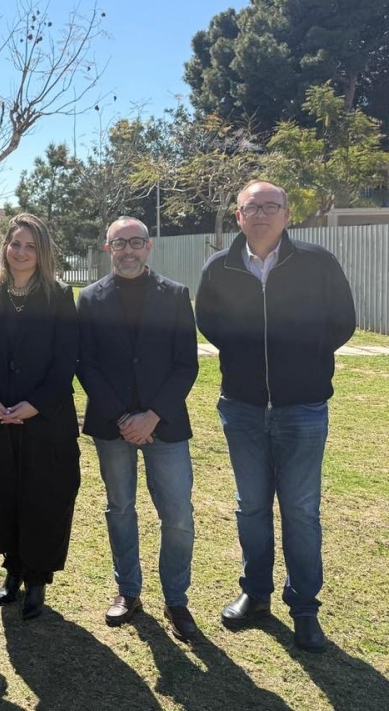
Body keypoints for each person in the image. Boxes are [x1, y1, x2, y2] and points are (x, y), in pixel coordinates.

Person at [197, 180, 355, 652]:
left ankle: (304, 608)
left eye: (271, 206)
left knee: (301, 512)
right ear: (239, 215)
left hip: (303, 408)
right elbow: (210, 321)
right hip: (241, 408)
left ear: (288, 215)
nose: (261, 214)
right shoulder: (219, 267)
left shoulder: (316, 262)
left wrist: (303, 361)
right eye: (252, 207)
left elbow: (342, 321)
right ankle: (256, 594)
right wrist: (246, 359)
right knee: (250, 507)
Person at [77, 217, 200, 640]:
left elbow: (187, 364)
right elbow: (85, 364)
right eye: (119, 243)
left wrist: (153, 416)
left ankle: (176, 599)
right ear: (107, 248)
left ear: (149, 247)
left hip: (165, 426)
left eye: (136, 242)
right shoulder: (90, 299)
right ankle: (128, 591)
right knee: (121, 510)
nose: (128, 250)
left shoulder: (176, 295)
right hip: (113, 429)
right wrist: (122, 419)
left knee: (178, 516)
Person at [0, 213, 79, 620]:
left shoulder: (60, 296)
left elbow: (67, 359)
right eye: (15, 244)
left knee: (43, 498)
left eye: (30, 246)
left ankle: (38, 579)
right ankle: (12, 569)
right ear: (4, 248)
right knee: (1, 495)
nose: (21, 252)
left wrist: (36, 404)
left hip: (44, 420)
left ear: (42, 251)